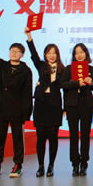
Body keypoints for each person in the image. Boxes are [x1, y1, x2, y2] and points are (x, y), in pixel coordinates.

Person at [0, 26, 32, 178]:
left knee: (17, 139)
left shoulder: (26, 71)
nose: (14, 53)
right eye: (12, 50)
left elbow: (27, 93)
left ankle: (18, 165)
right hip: (0, 108)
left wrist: (26, 113)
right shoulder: (1, 65)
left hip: (16, 110)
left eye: (17, 51)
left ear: (22, 54)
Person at [25, 28, 64, 178]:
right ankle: (40, 165)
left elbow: (66, 87)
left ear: (57, 55)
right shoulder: (41, 65)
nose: (51, 55)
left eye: (54, 53)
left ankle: (51, 166)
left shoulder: (63, 69)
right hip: (41, 104)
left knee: (53, 137)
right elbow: (33, 54)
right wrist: (29, 37)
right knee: (40, 137)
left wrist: (65, 108)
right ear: (45, 55)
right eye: (49, 53)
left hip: (54, 106)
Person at [60, 43, 93, 176]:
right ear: (74, 55)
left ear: (86, 53)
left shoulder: (92, 69)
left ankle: (84, 162)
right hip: (72, 105)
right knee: (73, 135)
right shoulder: (68, 68)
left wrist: (91, 82)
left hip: (87, 105)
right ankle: (75, 163)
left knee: (86, 135)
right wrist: (77, 83)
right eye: (76, 53)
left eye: (81, 52)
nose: (79, 55)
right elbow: (62, 84)